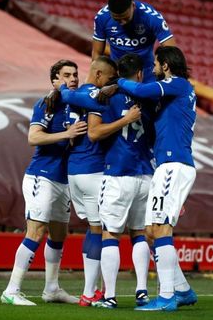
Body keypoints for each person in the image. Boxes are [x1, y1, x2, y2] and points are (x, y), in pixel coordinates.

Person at [107, 46, 198, 311]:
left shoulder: (179, 85)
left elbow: (140, 90)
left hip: (174, 165)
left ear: (166, 65)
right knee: (150, 232)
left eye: (156, 64)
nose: (153, 68)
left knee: (161, 229)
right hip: (166, 167)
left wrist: (117, 82)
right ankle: (182, 290)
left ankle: (167, 297)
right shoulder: (174, 92)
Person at [0, 60, 85, 306]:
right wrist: (66, 134)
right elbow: (33, 137)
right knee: (36, 231)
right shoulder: (47, 104)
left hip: (63, 180)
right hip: (42, 176)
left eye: (75, 74)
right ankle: (11, 290)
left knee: (59, 233)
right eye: (66, 75)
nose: (72, 78)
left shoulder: (78, 104)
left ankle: (51, 289)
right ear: (54, 80)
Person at [88, 54, 153, 309]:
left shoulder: (105, 96)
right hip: (145, 174)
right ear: (139, 75)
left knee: (110, 235)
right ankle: (142, 292)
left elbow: (93, 133)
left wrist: (123, 119)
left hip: (118, 174)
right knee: (138, 234)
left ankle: (110, 296)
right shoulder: (149, 98)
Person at [57, 56, 117, 306]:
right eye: (110, 78)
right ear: (100, 75)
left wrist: (59, 88)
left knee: (94, 229)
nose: (112, 83)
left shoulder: (75, 93)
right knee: (103, 231)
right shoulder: (96, 95)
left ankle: (94, 290)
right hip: (93, 170)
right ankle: (90, 292)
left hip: (74, 172)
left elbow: (67, 97)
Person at [92, 0, 176, 83]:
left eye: (126, 18)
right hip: (117, 73)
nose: (123, 22)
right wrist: (95, 80)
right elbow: (97, 53)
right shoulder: (102, 17)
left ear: (133, 6)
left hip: (146, 73)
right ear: (110, 12)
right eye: (117, 20)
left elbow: (172, 51)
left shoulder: (151, 17)